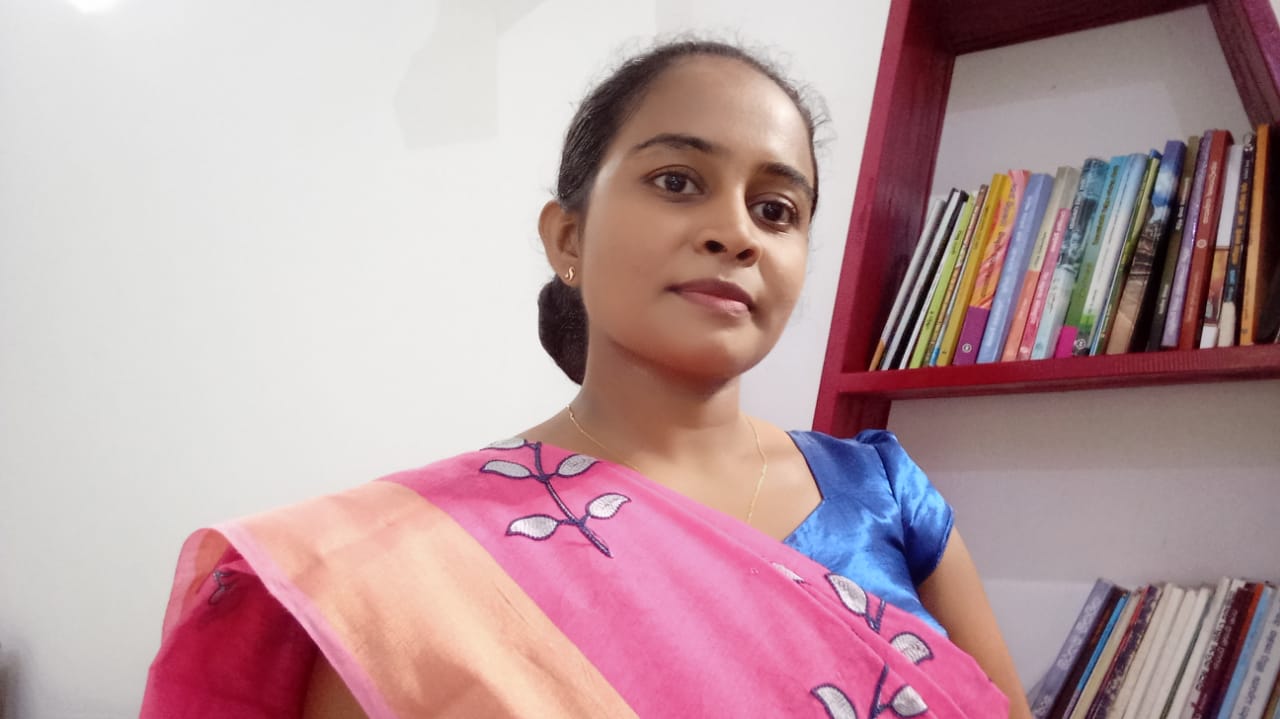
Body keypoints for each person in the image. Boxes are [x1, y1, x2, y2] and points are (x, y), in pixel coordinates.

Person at [141, 39, 1031, 718]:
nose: (736, 232)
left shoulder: (882, 493)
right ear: (567, 237)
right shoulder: (403, 570)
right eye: (678, 181)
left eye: (776, 208)